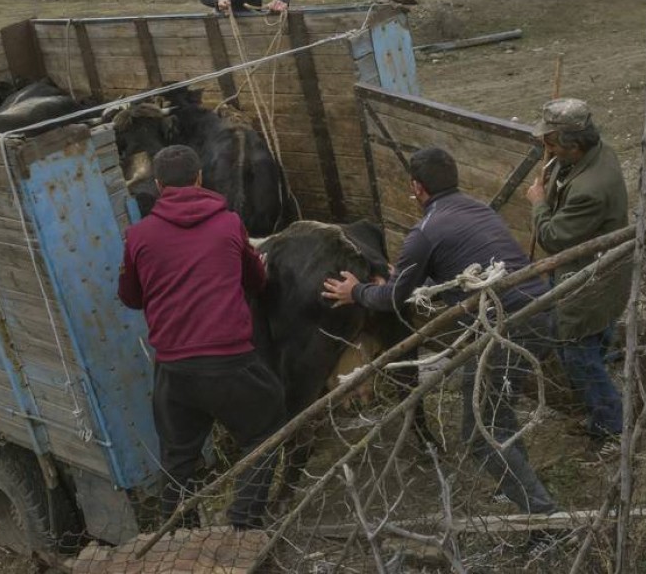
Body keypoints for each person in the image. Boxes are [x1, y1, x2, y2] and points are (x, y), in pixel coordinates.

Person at [322, 147, 559, 515]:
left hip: (505, 328)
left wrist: (355, 291)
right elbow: (454, 267)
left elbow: (394, 299)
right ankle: (514, 483)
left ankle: (542, 516)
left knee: (480, 434)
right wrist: (405, 274)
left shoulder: (426, 231)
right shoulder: (478, 208)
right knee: (497, 412)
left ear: (417, 188)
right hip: (539, 312)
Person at [117, 145, 285, 529]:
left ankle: (178, 534)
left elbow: (130, 297)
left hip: (175, 370)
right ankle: (243, 522)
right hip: (230, 364)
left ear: (159, 186)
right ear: (199, 179)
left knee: (178, 456)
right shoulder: (229, 224)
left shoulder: (139, 236)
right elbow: (256, 281)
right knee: (266, 426)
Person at [525, 98, 626, 444]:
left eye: (551, 142)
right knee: (593, 339)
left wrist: (538, 202)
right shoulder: (597, 154)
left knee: (577, 353)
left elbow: (553, 238)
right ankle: (602, 375)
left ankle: (610, 423)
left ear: (575, 145)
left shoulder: (589, 190)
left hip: (587, 281)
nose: (545, 148)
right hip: (600, 274)